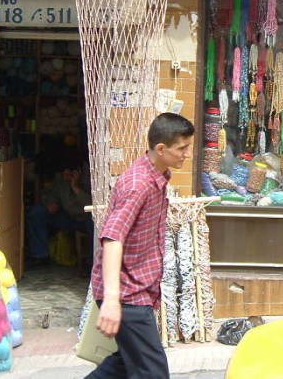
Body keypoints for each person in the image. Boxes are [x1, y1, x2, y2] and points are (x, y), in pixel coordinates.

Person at [86, 113, 194, 379]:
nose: (187, 154)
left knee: (124, 363)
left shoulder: (158, 176)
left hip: (137, 291)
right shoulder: (138, 184)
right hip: (126, 295)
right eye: (182, 148)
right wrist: (112, 301)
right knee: (153, 372)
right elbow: (112, 238)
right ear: (161, 149)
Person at [26, 157, 94, 267]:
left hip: (85, 219)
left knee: (93, 224)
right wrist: (51, 202)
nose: (66, 177)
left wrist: (75, 187)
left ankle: (91, 263)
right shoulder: (62, 180)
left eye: (69, 174)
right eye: (64, 174)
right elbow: (51, 194)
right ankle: (40, 256)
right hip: (68, 218)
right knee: (37, 212)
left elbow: (90, 204)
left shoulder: (89, 180)